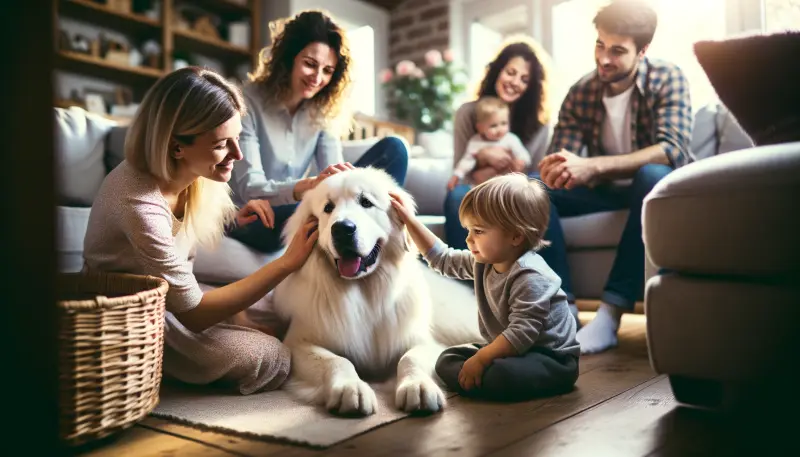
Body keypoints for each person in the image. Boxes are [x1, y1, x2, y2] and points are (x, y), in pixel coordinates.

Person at [83, 67, 320, 395]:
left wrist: (235, 218)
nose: (237, 155)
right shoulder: (137, 201)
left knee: (280, 315)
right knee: (272, 355)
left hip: (175, 297)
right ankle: (147, 370)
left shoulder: (191, 174)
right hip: (135, 317)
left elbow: (178, 235)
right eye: (223, 144)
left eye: (237, 138)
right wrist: (286, 263)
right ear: (177, 146)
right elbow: (193, 314)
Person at [537, 0, 693, 354]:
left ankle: (610, 314)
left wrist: (593, 166)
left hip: (655, 188)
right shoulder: (582, 91)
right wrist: (557, 169)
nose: (604, 59)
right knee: (533, 188)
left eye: (618, 51)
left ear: (643, 51)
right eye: (600, 45)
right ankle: (564, 310)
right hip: (604, 191)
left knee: (652, 173)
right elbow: (564, 157)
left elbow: (672, 150)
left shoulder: (667, 77)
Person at [228, 10, 409, 253]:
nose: (318, 77)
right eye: (310, 64)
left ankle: (372, 244)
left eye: (328, 70)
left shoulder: (322, 111)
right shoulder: (246, 101)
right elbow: (250, 187)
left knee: (394, 149)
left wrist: (343, 187)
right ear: (289, 58)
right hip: (256, 217)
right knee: (299, 208)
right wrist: (309, 185)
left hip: (302, 210)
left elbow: (336, 177)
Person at [391, 174, 580, 402]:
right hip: (509, 350)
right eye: (468, 230)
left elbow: (521, 333)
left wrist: (481, 360)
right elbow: (442, 258)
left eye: (478, 231)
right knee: (446, 358)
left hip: (550, 358)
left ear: (516, 235)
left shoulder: (531, 276)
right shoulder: (484, 262)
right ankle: (482, 379)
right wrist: (409, 220)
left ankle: (486, 379)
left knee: (502, 373)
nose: (469, 240)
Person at [445, 36, 553, 250]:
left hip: (519, 195)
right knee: (456, 196)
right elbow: (462, 174)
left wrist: (488, 170)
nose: (515, 82)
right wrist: (483, 156)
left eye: (524, 79)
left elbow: (532, 178)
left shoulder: (540, 123)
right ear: (497, 71)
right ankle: (464, 281)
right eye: (510, 72)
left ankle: (550, 282)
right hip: (476, 189)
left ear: (531, 87)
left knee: (544, 199)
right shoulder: (467, 113)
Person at [447, 96, 531, 191]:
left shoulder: (511, 139)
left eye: (504, 123)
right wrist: (456, 175)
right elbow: (467, 161)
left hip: (507, 184)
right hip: (484, 185)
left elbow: (524, 154)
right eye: (493, 126)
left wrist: (521, 161)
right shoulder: (475, 142)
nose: (500, 130)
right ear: (480, 128)